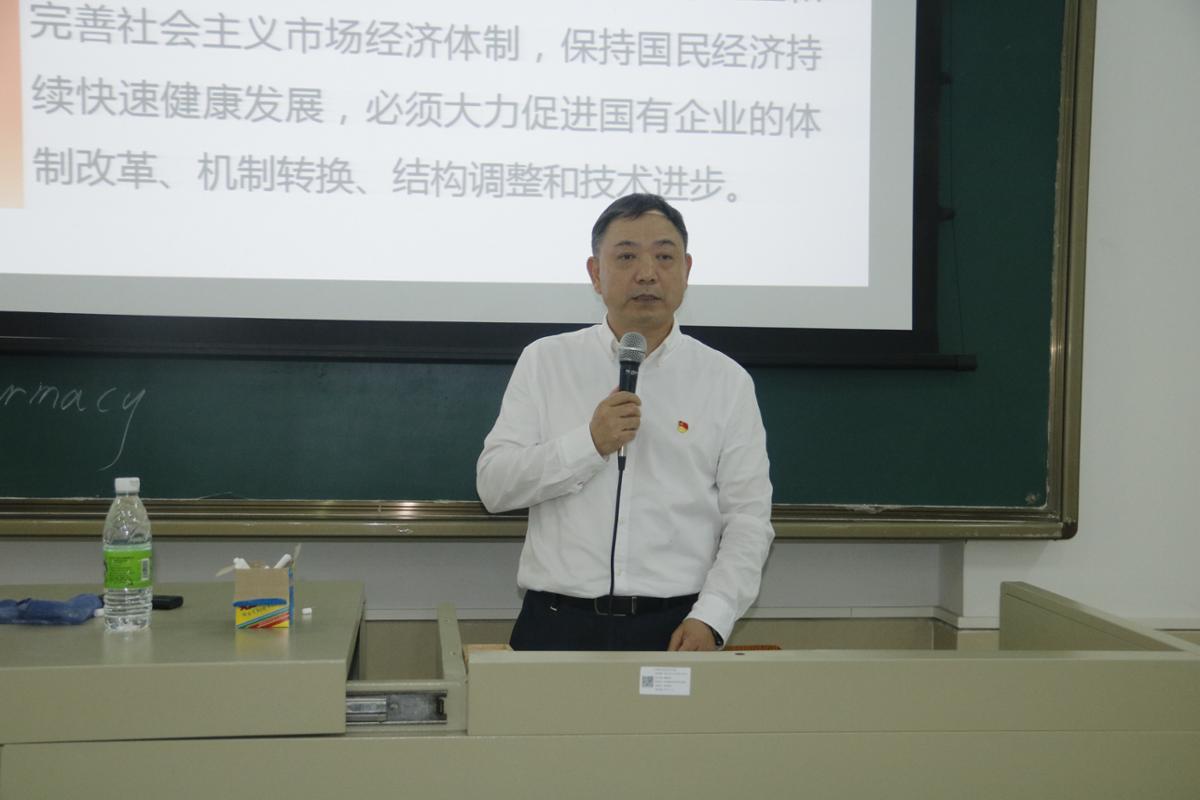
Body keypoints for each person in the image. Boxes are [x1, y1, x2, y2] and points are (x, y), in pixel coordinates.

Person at [476, 194, 774, 652]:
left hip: (676, 626)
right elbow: (495, 487)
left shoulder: (726, 381)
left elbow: (748, 518)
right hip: (556, 623)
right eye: (627, 256)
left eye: (664, 257)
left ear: (687, 270)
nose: (647, 273)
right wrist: (589, 443)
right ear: (595, 273)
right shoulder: (545, 362)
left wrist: (712, 617)